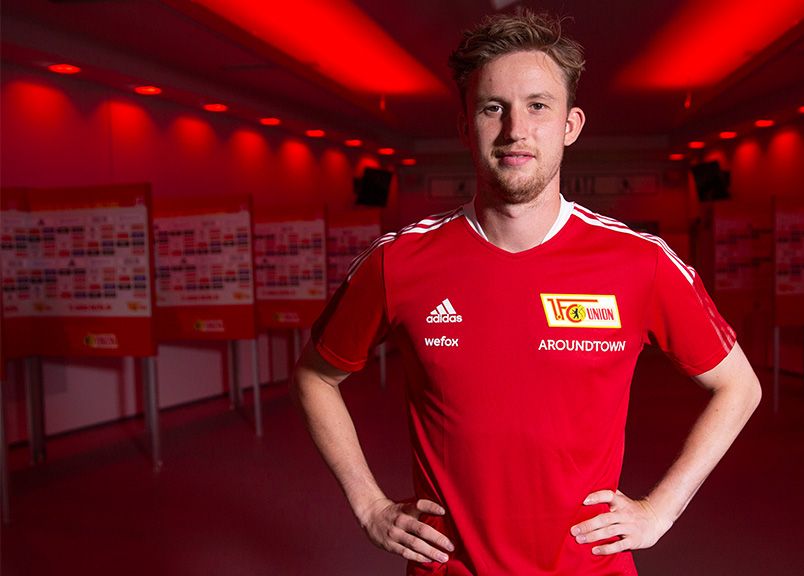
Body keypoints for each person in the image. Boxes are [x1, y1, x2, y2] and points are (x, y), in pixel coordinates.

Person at [293, 9, 761, 575]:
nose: (516, 129)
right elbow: (316, 375)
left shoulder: (642, 262)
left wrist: (660, 509)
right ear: (466, 126)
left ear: (570, 124)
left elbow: (738, 385)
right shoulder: (398, 261)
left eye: (538, 106)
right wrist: (369, 505)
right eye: (493, 107)